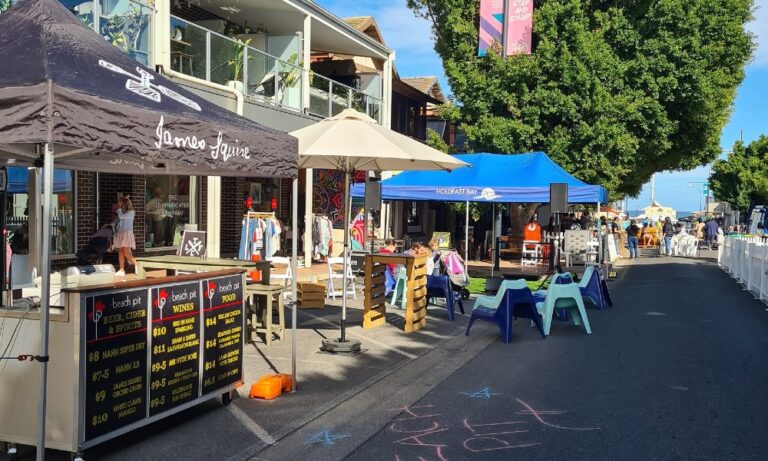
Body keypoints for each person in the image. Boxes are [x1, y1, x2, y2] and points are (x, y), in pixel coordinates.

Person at [114, 195, 137, 276]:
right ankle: (121, 269)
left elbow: (121, 217)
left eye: (120, 203)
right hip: (121, 233)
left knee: (126, 252)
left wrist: (119, 208)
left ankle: (138, 265)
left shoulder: (131, 212)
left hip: (127, 233)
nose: (118, 204)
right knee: (120, 251)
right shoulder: (121, 211)